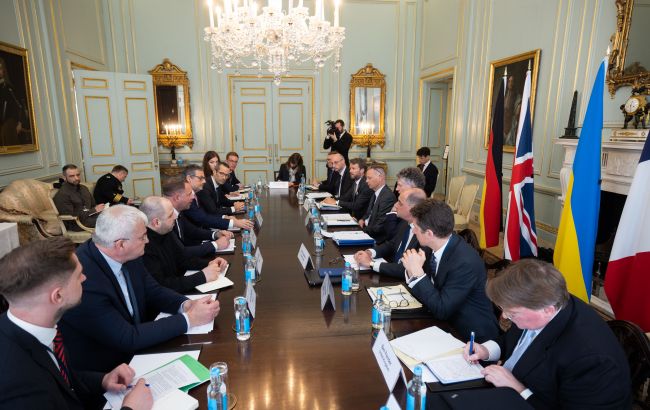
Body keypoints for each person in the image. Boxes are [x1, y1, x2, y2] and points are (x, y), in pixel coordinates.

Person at [59, 205, 221, 373]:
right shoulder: (84, 278)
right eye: (142, 237)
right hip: (109, 369)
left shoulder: (129, 254)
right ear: (121, 244)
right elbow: (126, 337)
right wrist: (190, 319)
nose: (148, 241)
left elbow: (153, 290)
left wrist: (186, 305)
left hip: (140, 349)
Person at [0, 237, 152, 410]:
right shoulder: (16, 380)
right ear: (58, 296)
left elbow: (61, 379)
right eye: (79, 274)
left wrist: (102, 380)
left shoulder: (34, 324)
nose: (84, 278)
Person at [464, 259, 631, 409]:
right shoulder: (542, 300)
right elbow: (513, 341)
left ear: (547, 310)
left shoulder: (592, 360)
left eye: (512, 313)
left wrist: (517, 389)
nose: (505, 317)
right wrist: (487, 350)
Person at [401, 199, 499, 342]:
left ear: (429, 233)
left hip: (471, 336)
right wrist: (413, 271)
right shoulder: (433, 245)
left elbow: (442, 310)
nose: (413, 230)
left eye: (415, 227)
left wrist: (418, 274)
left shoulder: (465, 262)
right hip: (443, 322)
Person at [140, 196, 228, 293]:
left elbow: (182, 259)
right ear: (156, 222)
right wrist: (202, 276)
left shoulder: (166, 231)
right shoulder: (144, 246)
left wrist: (209, 263)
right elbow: (162, 285)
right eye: (170, 215)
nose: (175, 216)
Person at [354, 188, 427, 278]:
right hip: (391, 273)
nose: (395, 205)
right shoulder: (404, 223)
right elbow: (392, 244)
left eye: (400, 203)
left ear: (413, 208)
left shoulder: (423, 233)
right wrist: (370, 253)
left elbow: (407, 269)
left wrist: (371, 263)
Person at [162, 176, 233, 258]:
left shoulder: (177, 211)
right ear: (177, 197)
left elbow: (192, 231)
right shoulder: (164, 219)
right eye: (189, 194)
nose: (193, 197)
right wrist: (215, 245)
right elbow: (180, 253)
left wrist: (216, 234)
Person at [182, 165, 253, 231]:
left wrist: (225, 216)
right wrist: (232, 221)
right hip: (203, 230)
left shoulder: (217, 184)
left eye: (226, 175)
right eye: (201, 178)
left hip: (206, 227)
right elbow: (206, 216)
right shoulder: (202, 189)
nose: (204, 181)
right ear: (214, 172)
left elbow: (222, 201)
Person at [53, 164, 105, 230]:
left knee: (113, 215)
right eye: (72, 176)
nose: (76, 178)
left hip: (90, 216)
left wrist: (100, 209)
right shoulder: (62, 194)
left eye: (78, 175)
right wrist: (94, 210)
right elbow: (70, 216)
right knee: (109, 221)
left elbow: (93, 205)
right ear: (64, 177)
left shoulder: (84, 188)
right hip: (76, 223)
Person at [358, 165, 396, 244]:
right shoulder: (376, 192)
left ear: (380, 177)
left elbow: (379, 226)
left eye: (369, 178)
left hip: (375, 239)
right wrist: (362, 219)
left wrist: (360, 231)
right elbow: (368, 213)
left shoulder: (387, 197)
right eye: (366, 178)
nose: (366, 181)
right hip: (367, 231)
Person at [0, 56, 31, 147]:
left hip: (8, 125)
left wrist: (20, 123)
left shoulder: (9, 88)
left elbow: (20, 107)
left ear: (3, 70)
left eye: (0, 68)